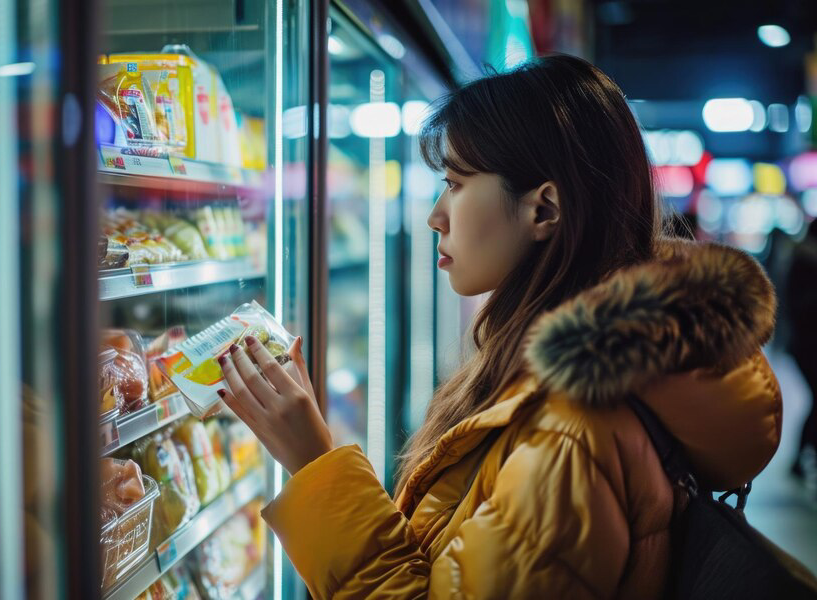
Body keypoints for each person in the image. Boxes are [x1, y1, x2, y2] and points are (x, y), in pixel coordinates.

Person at [217, 55, 782, 598]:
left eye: (457, 184)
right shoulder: (547, 385)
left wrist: (315, 463)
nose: (435, 214)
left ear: (544, 211)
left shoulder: (567, 433)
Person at [787, 218, 817, 480]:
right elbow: (800, 305)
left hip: (804, 343)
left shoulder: (802, 256)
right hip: (808, 344)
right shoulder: (808, 261)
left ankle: (801, 458)